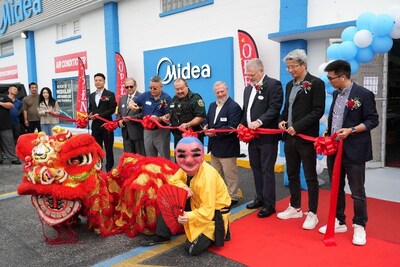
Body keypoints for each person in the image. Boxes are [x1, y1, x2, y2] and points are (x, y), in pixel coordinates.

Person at [318, 60, 379, 246]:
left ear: (342, 77)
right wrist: (330, 131)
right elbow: (337, 117)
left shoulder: (363, 94)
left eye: (331, 78)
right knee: (335, 186)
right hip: (334, 149)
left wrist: (351, 130)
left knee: (357, 191)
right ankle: (339, 220)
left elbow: (372, 120)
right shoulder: (336, 94)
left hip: (354, 150)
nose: (329, 81)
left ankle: (360, 225)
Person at [140, 136, 231, 256]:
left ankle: (219, 231)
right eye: (182, 156)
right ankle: (162, 235)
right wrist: (184, 187)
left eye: (195, 155)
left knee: (191, 249)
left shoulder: (207, 177)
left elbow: (208, 211)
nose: (188, 160)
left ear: (203, 156)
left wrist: (188, 216)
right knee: (169, 201)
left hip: (213, 214)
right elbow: (173, 180)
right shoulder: (186, 169)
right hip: (197, 205)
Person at [277, 49, 326, 230]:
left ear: (303, 65)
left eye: (293, 67)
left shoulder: (316, 83)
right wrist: (281, 121)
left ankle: (312, 213)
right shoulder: (290, 85)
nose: (290, 70)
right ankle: (295, 206)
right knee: (292, 174)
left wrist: (297, 126)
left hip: (306, 138)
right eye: (288, 67)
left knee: (310, 176)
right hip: (289, 138)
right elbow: (286, 108)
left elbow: (317, 111)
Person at [240, 58, 283, 218]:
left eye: (252, 74)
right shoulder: (247, 89)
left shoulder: (273, 85)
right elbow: (247, 110)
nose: (250, 78)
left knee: (267, 170)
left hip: (267, 137)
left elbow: (274, 108)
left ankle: (270, 204)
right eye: (248, 75)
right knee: (256, 168)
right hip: (252, 137)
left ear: (261, 70)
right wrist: (242, 124)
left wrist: (259, 121)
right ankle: (259, 198)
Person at [205, 81, 242, 206]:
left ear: (227, 90)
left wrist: (215, 132)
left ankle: (233, 196)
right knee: (216, 174)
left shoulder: (234, 107)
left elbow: (232, 127)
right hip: (214, 147)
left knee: (230, 174)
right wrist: (205, 125)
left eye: (222, 91)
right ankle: (220, 194)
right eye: (217, 92)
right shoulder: (211, 105)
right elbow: (207, 119)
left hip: (227, 147)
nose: (220, 94)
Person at [131, 76, 171, 159]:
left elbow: (169, 116)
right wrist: (131, 104)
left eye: (155, 88)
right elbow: (133, 100)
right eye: (150, 88)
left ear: (161, 87)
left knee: (164, 157)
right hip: (147, 131)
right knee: (150, 157)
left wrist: (160, 118)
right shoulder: (146, 95)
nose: (152, 90)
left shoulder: (166, 98)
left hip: (161, 131)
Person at [88, 73, 117, 172]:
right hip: (95, 126)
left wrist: (100, 115)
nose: (98, 82)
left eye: (100, 80)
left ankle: (109, 169)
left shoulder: (110, 94)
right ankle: (98, 168)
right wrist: (90, 114)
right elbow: (90, 108)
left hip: (107, 125)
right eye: (96, 80)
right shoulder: (91, 95)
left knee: (109, 148)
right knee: (96, 148)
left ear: (104, 81)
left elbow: (112, 109)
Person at [166, 78, 206, 147]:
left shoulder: (195, 98)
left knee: (194, 157)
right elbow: (173, 114)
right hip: (178, 137)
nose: (179, 91)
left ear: (187, 86)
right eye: (177, 89)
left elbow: (200, 117)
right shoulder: (174, 99)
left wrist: (188, 124)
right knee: (179, 157)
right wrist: (168, 117)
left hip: (193, 137)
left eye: (181, 88)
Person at [117, 78, 145, 155]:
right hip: (126, 134)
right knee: (128, 158)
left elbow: (144, 113)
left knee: (140, 158)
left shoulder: (142, 97)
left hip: (138, 133)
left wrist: (131, 119)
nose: (129, 88)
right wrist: (119, 120)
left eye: (131, 86)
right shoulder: (122, 98)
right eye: (127, 87)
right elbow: (119, 113)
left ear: (135, 86)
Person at [0, 93, 21, 165]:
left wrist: (1, 103)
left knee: (9, 142)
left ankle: (13, 158)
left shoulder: (3, 96)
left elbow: (11, 105)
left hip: (5, 125)